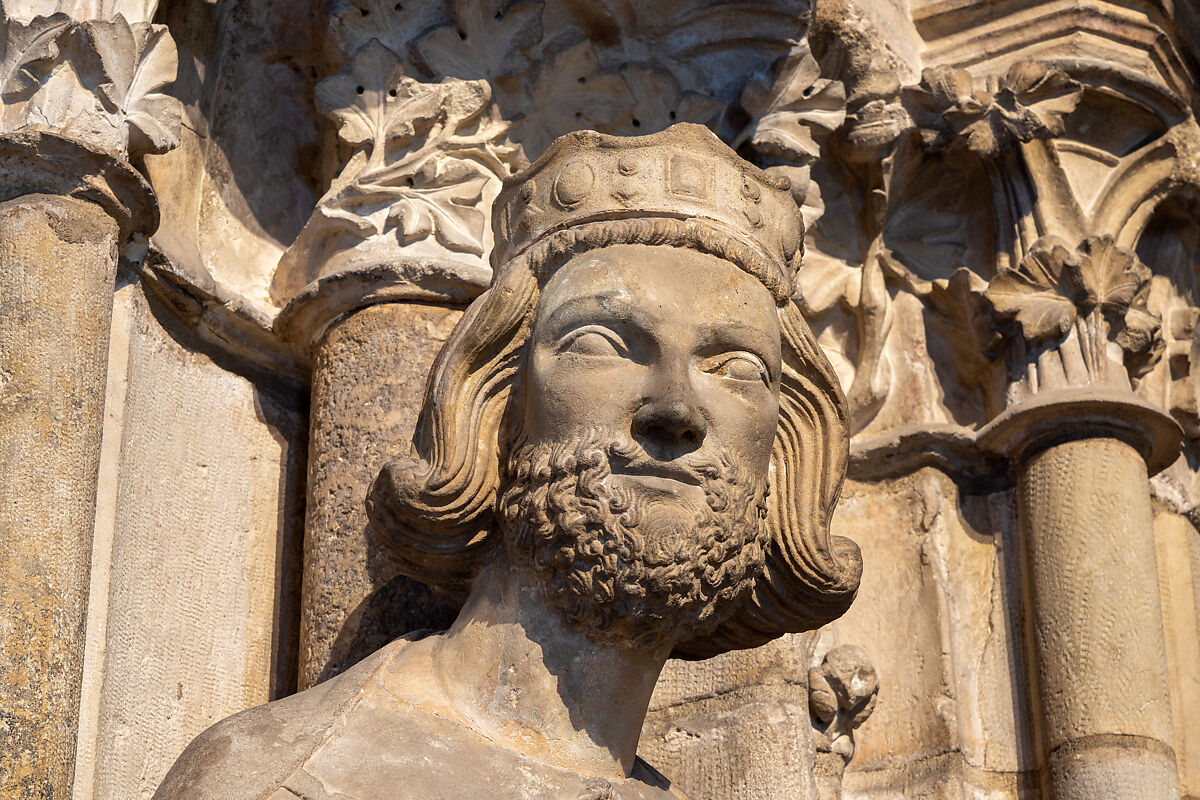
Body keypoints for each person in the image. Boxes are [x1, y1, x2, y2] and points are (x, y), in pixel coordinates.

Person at [154, 123, 861, 800]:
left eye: (736, 368)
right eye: (600, 343)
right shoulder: (282, 775)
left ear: (786, 451)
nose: (675, 408)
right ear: (494, 402)